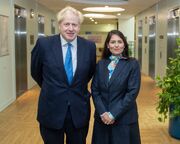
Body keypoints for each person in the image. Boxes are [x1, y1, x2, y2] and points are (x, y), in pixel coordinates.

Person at [31, 6, 96, 144]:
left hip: (78, 111)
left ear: (79, 27)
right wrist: (52, 87)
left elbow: (88, 73)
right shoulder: (44, 44)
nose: (70, 28)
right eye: (67, 24)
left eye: (75, 24)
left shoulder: (89, 47)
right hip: (51, 110)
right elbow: (36, 72)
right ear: (59, 25)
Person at [91, 30, 141, 144]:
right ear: (108, 45)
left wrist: (113, 114)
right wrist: (103, 113)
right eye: (113, 42)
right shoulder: (101, 64)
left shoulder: (132, 64)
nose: (116, 45)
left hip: (124, 118)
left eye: (120, 41)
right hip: (102, 119)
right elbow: (95, 90)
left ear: (124, 44)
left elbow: (132, 92)